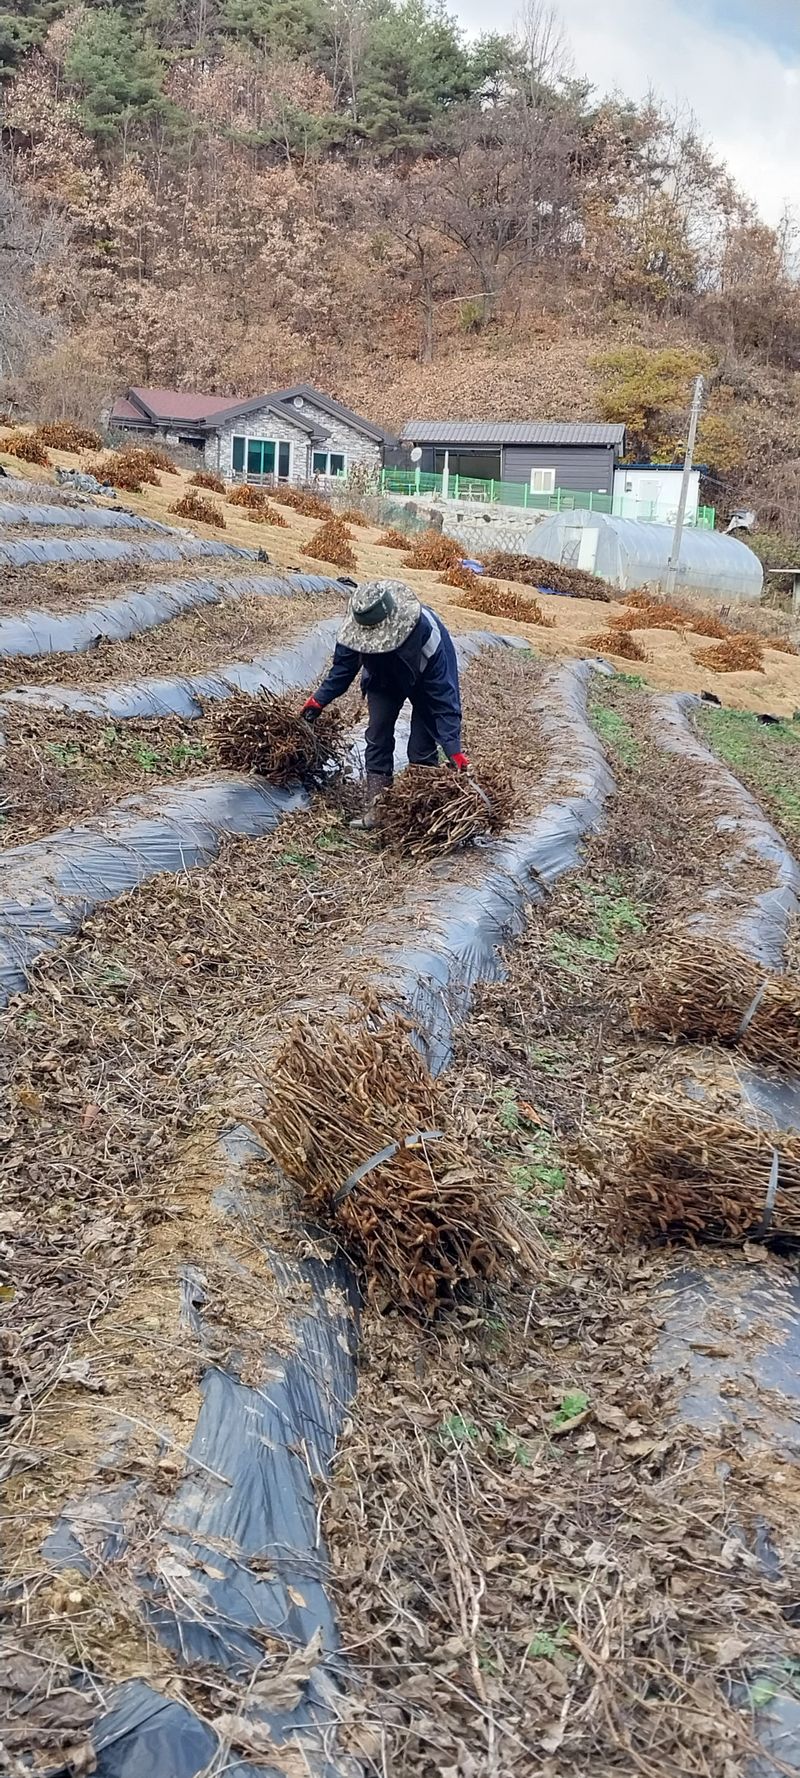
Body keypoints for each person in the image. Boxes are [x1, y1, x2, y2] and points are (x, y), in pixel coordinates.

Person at [301, 579, 469, 827]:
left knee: (420, 750)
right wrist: (318, 700)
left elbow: (444, 699)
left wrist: (453, 748)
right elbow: (342, 670)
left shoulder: (427, 636)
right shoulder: (354, 629)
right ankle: (378, 810)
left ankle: (420, 817)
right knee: (377, 734)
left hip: (424, 680)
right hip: (382, 676)